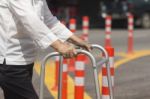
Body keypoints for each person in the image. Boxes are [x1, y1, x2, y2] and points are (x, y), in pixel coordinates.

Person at [0, 0, 91, 99]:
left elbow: (49, 21)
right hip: (9, 60)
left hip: (24, 59)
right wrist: (59, 45)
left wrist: (76, 40)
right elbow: (29, 19)